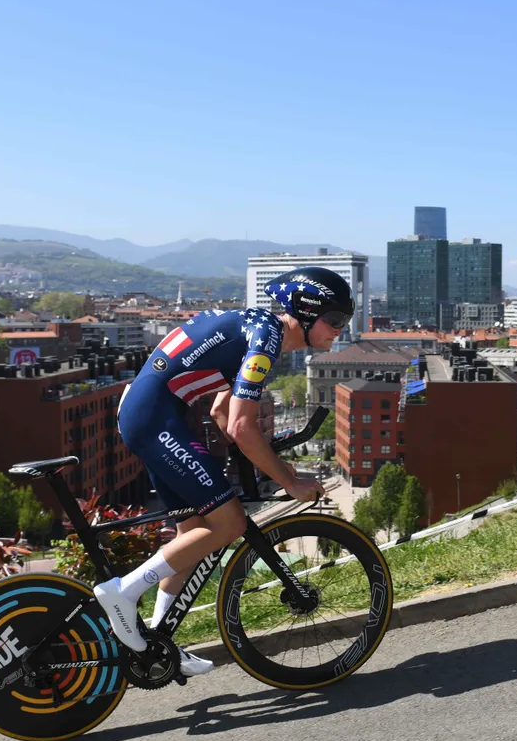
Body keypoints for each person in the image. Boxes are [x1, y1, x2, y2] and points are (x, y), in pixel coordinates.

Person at [95, 266, 354, 676]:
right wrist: (289, 479)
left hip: (156, 415)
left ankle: (159, 644)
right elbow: (239, 426)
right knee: (230, 522)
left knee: (192, 535)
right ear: (304, 313)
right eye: (335, 319)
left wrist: (258, 454)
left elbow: (220, 411)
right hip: (155, 419)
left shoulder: (256, 329)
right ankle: (122, 593)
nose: (340, 329)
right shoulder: (266, 338)